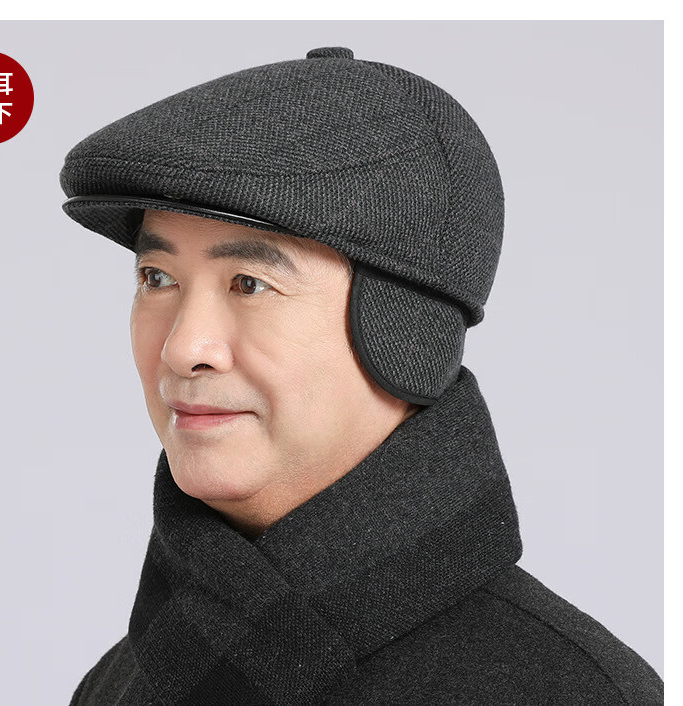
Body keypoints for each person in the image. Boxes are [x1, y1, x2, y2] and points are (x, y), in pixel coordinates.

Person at [60, 46, 663, 705]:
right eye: (157, 278)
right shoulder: (121, 683)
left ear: (408, 331)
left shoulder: (569, 691)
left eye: (249, 283)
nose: (182, 349)